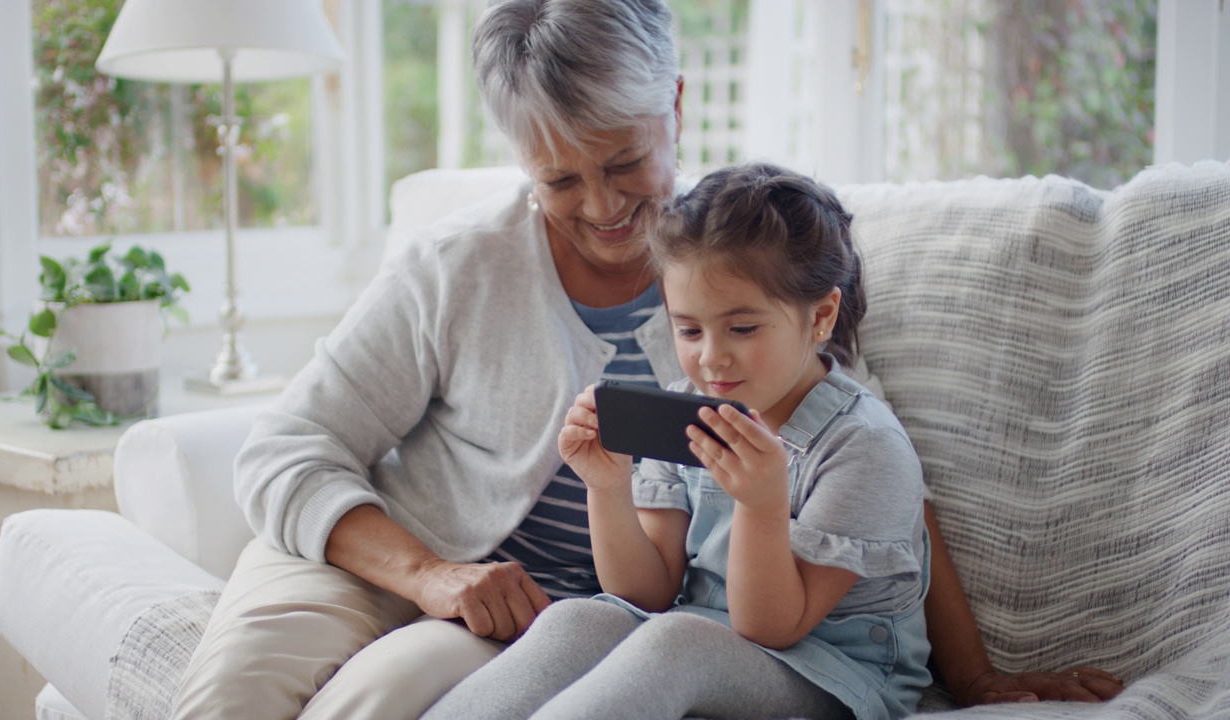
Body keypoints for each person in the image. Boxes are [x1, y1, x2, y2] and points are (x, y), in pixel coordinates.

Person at [168, 2, 1123, 719]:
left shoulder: (739, 266)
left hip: (651, 629)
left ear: (674, 101)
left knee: (396, 693)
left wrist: (978, 677)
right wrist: (428, 574)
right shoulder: (458, 268)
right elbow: (286, 448)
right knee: (239, 690)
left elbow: (876, 484)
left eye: (624, 162)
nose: (600, 206)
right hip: (392, 550)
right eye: (557, 179)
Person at [423, 163, 927, 720]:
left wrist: (762, 505)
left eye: (742, 328)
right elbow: (645, 594)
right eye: (689, 330)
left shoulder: (864, 447)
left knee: (678, 641)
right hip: (704, 634)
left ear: (822, 315)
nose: (710, 358)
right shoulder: (685, 409)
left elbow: (772, 627)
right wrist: (608, 488)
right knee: (579, 617)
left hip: (830, 670)